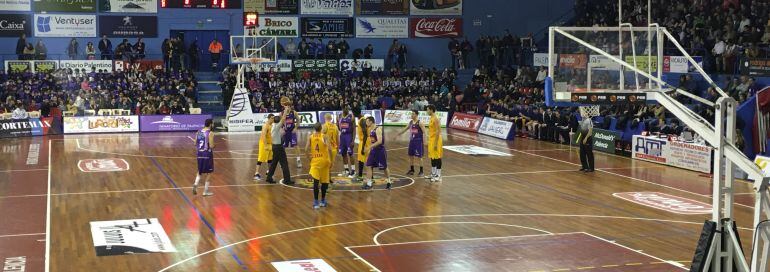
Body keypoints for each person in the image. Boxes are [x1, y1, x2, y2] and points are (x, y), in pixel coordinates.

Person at [307, 122, 332, 209]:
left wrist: (309, 159)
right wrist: (331, 160)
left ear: (314, 128)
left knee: (316, 182)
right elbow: (329, 148)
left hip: (315, 161)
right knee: (324, 182)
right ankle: (323, 200)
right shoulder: (324, 136)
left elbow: (306, 149)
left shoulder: (311, 136)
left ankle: (315, 202)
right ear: (321, 128)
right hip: (324, 161)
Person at [266, 108, 294, 185]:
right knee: (284, 163)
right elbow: (283, 118)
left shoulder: (272, 126)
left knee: (274, 163)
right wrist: (286, 110)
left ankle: (269, 177)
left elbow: (281, 119)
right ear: (278, 122)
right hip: (278, 147)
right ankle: (287, 180)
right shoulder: (277, 127)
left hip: (274, 147)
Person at [363, 116, 392, 190]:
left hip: (380, 151)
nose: (366, 123)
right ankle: (369, 184)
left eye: (367, 121)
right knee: (368, 165)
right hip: (373, 151)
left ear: (371, 122)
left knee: (384, 167)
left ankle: (389, 182)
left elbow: (380, 141)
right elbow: (372, 140)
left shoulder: (378, 129)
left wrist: (369, 147)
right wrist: (370, 148)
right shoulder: (370, 129)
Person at [398, 110, 426, 176]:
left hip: (418, 142)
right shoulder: (410, 122)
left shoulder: (420, 123)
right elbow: (405, 129)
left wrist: (425, 141)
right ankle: (412, 170)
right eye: (411, 114)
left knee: (419, 157)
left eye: (413, 114)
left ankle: (421, 171)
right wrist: (398, 134)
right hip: (412, 141)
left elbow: (424, 133)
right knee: (411, 156)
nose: (411, 115)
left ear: (416, 115)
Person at [193, 119, 215, 196]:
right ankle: (205, 191)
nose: (213, 125)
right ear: (210, 124)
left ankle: (196, 184)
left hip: (199, 153)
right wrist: (214, 145)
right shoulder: (210, 133)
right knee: (209, 173)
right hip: (207, 154)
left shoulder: (198, 132)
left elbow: (195, 143)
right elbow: (211, 146)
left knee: (200, 171)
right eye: (213, 124)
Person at [254, 114, 274, 181]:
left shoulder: (272, 125)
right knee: (261, 159)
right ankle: (256, 174)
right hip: (263, 143)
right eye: (272, 118)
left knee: (270, 159)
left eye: (273, 118)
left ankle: (269, 172)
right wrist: (265, 145)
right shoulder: (265, 125)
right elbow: (263, 136)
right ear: (268, 118)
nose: (273, 119)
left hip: (270, 143)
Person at [281, 101, 302, 168]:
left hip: (292, 132)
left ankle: (298, 160)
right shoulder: (281, 113)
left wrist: (295, 128)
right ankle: (283, 160)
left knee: (296, 146)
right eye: (285, 106)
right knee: (283, 147)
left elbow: (298, 121)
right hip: (286, 132)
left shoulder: (294, 112)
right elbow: (279, 123)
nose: (287, 107)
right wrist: (282, 129)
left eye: (288, 106)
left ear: (290, 106)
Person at [426, 105, 443, 182]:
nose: (427, 111)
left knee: (437, 157)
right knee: (432, 157)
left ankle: (438, 175)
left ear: (431, 110)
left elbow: (438, 131)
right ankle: (433, 173)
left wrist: (436, 143)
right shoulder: (431, 118)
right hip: (432, 140)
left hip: (436, 140)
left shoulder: (436, 119)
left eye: (428, 110)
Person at [337, 108, 356, 177]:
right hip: (342, 136)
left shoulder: (351, 116)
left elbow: (354, 129)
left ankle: (353, 171)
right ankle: (346, 170)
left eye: (346, 108)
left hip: (349, 136)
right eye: (343, 107)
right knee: (343, 154)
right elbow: (339, 127)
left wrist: (353, 140)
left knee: (350, 154)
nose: (345, 109)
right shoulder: (339, 116)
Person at [353, 110, 370, 182]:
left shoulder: (362, 121)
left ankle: (361, 176)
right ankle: (362, 175)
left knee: (362, 159)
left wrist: (363, 147)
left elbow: (365, 134)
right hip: (364, 141)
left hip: (364, 142)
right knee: (362, 159)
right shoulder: (362, 119)